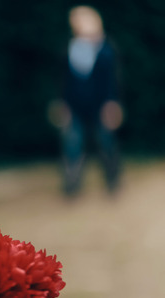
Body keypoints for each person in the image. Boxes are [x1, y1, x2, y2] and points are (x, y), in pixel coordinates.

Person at [61, 5, 122, 196]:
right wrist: (62, 103)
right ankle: (72, 188)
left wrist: (112, 103)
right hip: (75, 106)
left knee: (106, 143)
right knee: (72, 145)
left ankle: (113, 184)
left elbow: (113, 79)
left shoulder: (106, 48)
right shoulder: (70, 47)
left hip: (102, 105)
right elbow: (63, 80)